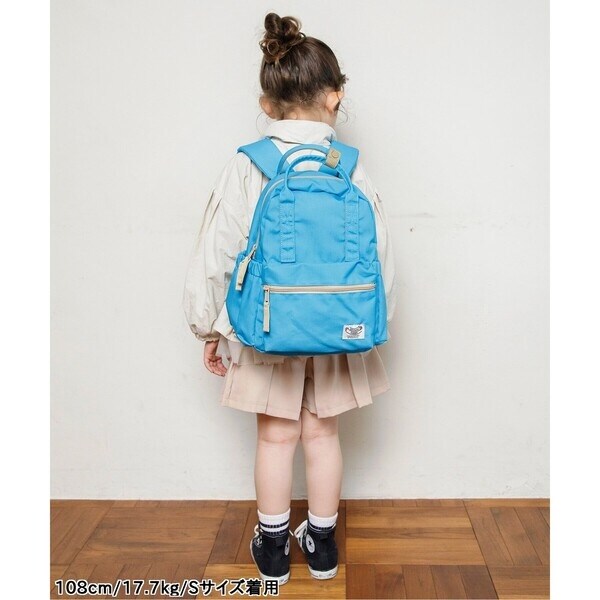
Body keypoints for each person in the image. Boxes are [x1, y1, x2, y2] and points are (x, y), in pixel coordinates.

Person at [183, 12, 397, 585]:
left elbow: (218, 248)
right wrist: (374, 320)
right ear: (335, 96)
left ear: (267, 103)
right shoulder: (349, 168)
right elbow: (380, 253)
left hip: (266, 324)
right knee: (323, 434)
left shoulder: (247, 165)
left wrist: (210, 326)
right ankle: (322, 546)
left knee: (276, 436)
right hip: (339, 327)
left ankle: (274, 548)